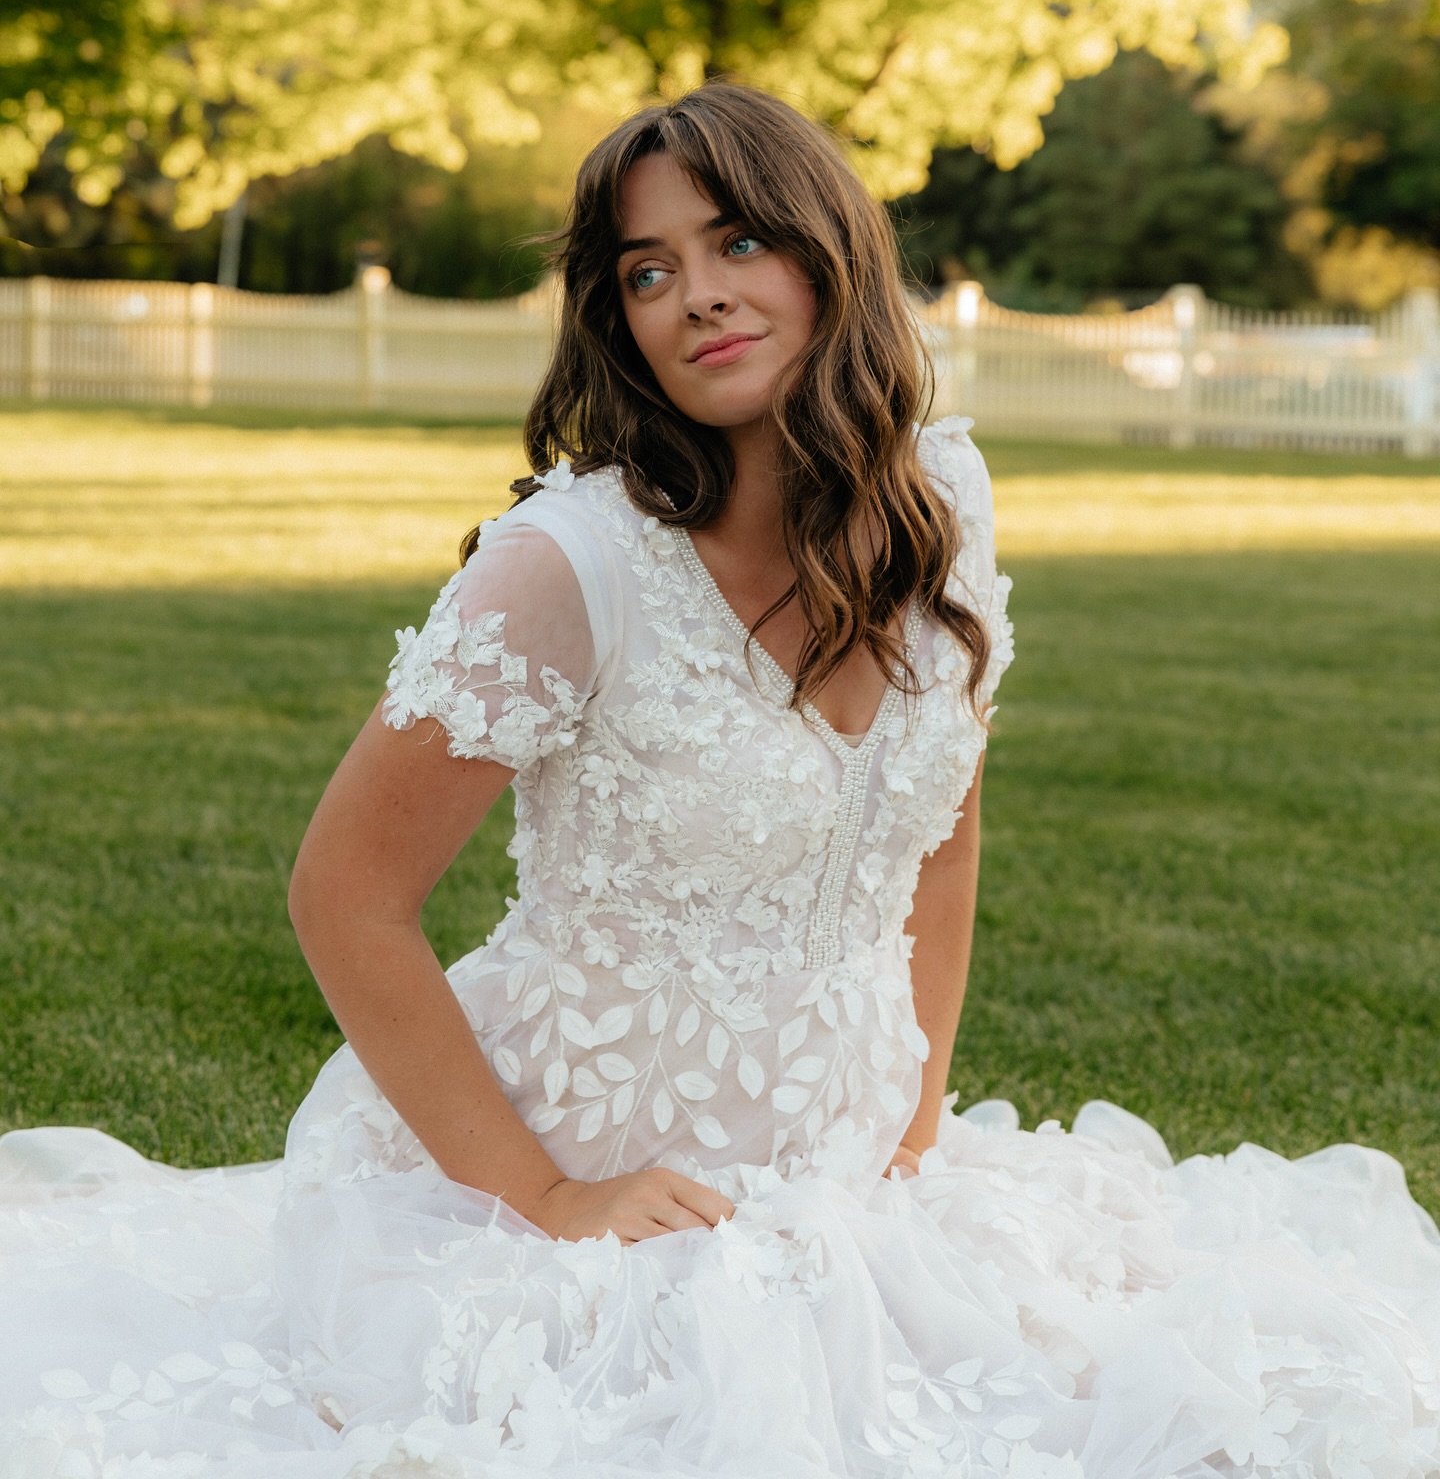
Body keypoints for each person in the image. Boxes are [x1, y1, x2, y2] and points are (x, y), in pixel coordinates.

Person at [1, 84, 1437, 1478]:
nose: (696, 293)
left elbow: (941, 829)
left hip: (854, 1167)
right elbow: (346, 895)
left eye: (737, 240)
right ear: (617, 321)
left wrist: (919, 1117)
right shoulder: (569, 569)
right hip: (592, 1197)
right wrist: (552, 1203)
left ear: (830, 253)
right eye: (647, 270)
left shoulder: (940, 506)